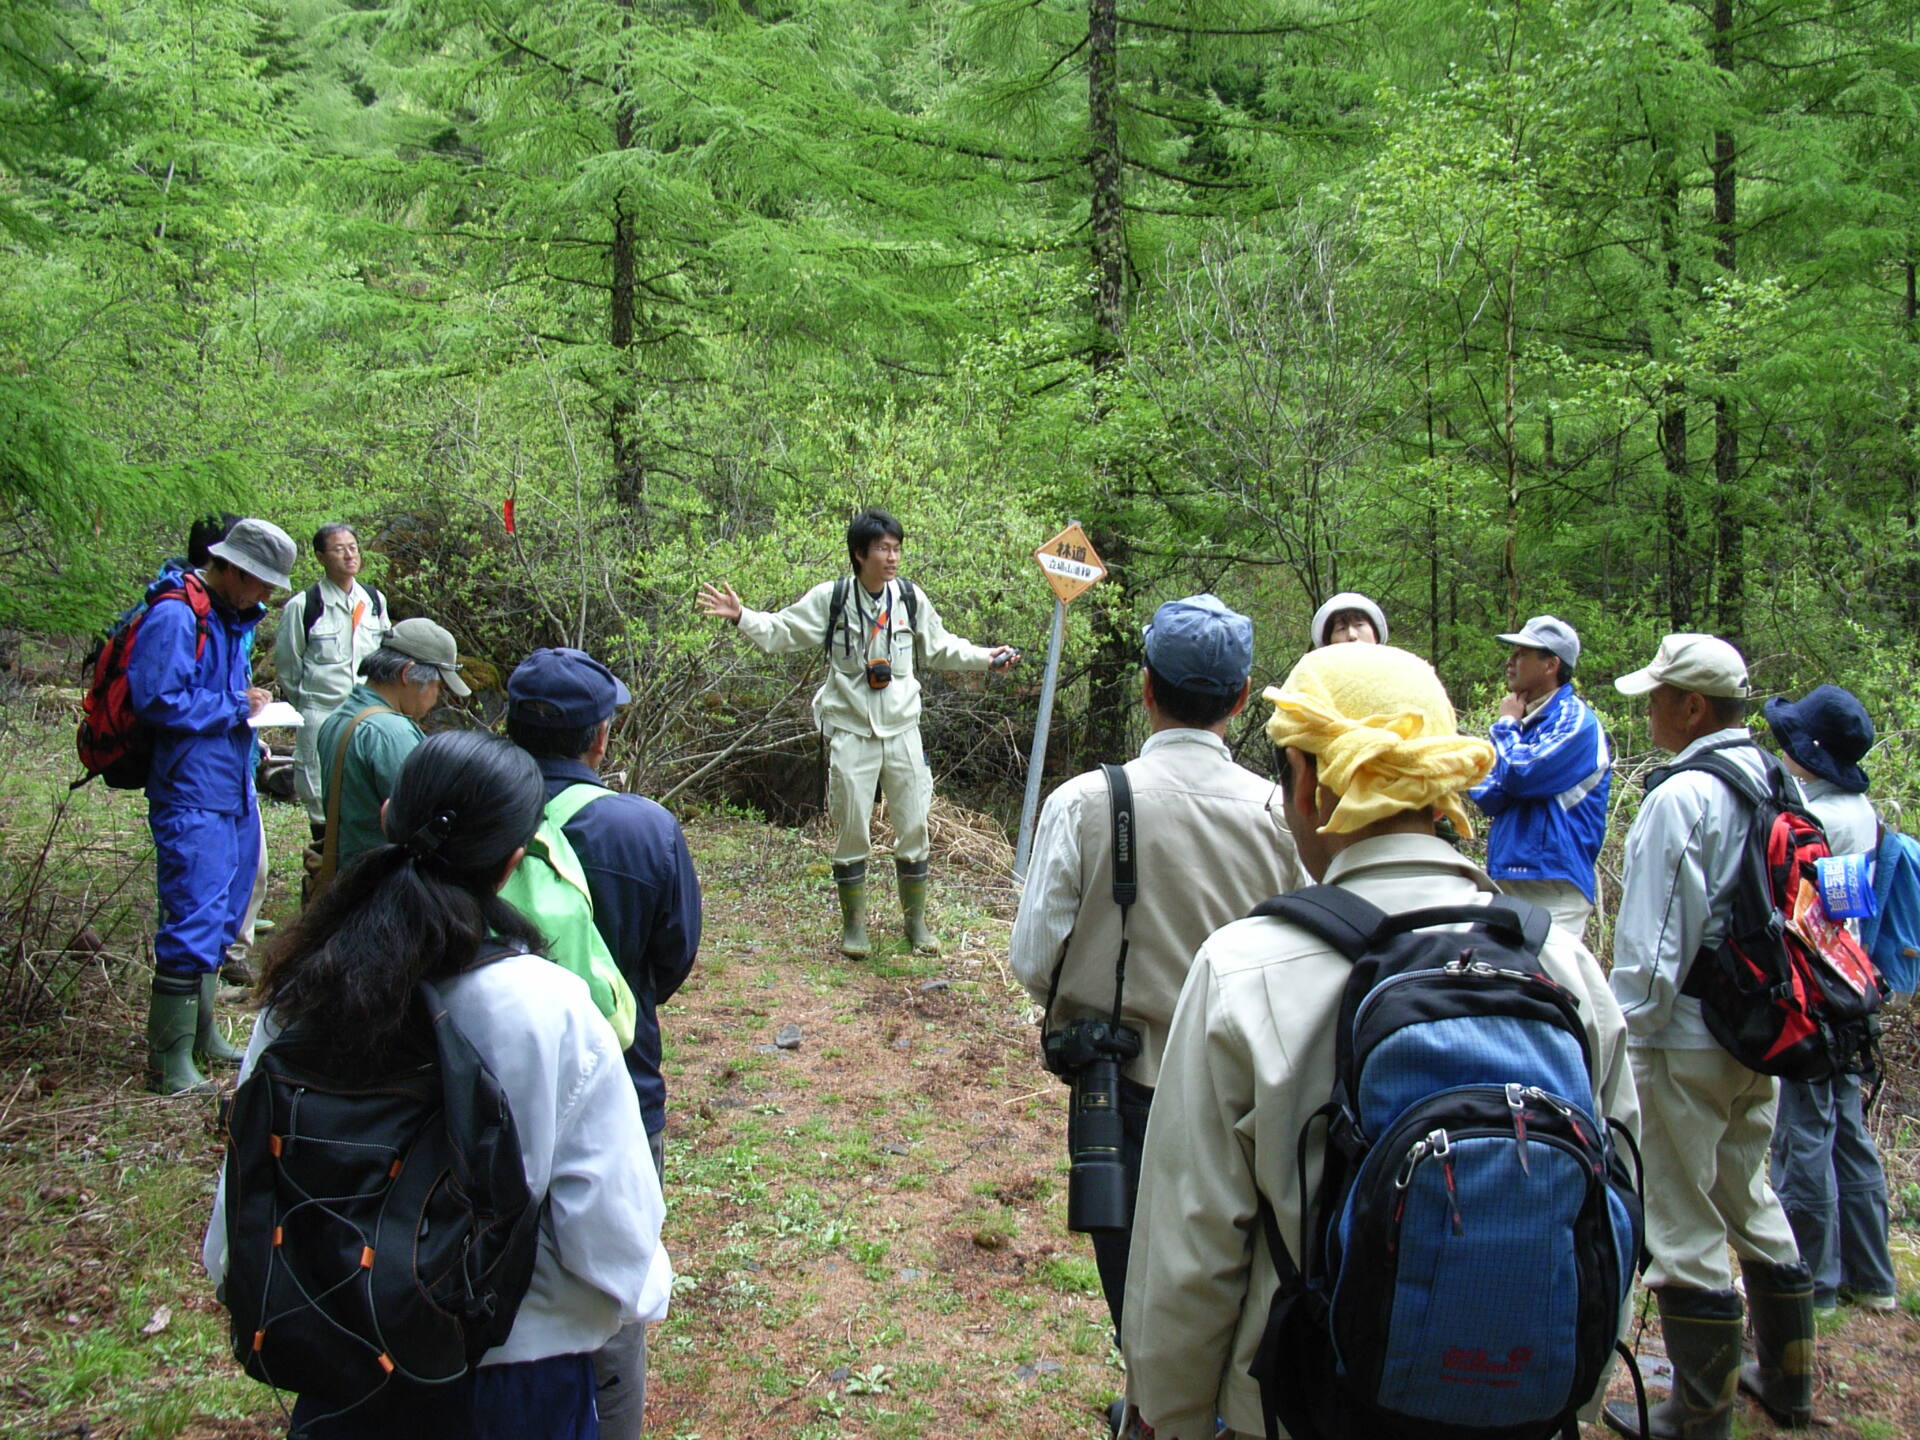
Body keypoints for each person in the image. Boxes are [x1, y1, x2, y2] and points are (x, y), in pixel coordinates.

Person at [1121, 642, 1636, 1440]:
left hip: (1303, 1408)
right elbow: (1615, 1214)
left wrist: (1170, 1413)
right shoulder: (1564, 969)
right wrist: (1572, 1394)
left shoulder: (1243, 968)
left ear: (1314, 781)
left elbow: (1190, 1246)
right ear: (1437, 786)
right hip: (1526, 1411)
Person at [203, 730, 670, 1439]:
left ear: (388, 814)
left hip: (342, 1359)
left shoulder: (302, 988)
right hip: (515, 1380)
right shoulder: (549, 1006)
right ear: (515, 860)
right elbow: (611, 1241)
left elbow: (237, 1220)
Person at [1008, 595, 1304, 1363]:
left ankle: (1149, 1403)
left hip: (1121, 1090)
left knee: (1133, 1291)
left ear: (1145, 688)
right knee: (1238, 1288)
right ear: (1241, 702)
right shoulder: (1281, 815)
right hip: (1246, 1094)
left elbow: (1032, 959)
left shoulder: (1084, 803)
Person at [1607, 634, 1813, 1438]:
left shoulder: (1683, 796)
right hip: (1761, 1031)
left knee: (1682, 1219)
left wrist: (1625, 1041)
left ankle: (1698, 1411)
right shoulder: (1774, 778)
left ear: (1692, 707)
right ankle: (1787, 1383)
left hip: (1685, 1039)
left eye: (1657, 697)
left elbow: (1654, 950)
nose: (1650, 709)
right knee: (1746, 1190)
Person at [506, 647, 703, 1440]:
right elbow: (673, 957)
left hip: (476, 1085)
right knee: (611, 1292)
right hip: (619, 1085)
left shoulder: (467, 815)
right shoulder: (641, 827)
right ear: (600, 739)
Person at [697, 508, 1018, 957]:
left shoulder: (908, 598)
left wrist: (988, 656)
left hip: (903, 730)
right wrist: (741, 616)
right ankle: (854, 928)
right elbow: (782, 631)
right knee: (851, 828)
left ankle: (916, 925)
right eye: (883, 549)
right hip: (851, 731)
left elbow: (942, 645)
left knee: (912, 825)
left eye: (896, 549)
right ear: (859, 554)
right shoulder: (832, 599)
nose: (891, 558)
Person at [128, 516, 296, 1094]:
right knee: (193, 911)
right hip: (189, 789)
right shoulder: (177, 614)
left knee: (223, 909)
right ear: (230, 568)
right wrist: (233, 704)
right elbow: (156, 698)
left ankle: (201, 1035)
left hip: (228, 783)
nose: (267, 596)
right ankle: (169, 1060)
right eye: (260, 582)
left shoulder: (228, 617)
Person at [1761, 685, 1899, 1313]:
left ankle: (1812, 1281)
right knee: (1849, 1132)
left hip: (1821, 996)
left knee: (1806, 1133)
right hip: (1852, 991)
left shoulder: (1826, 820)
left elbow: (1822, 917)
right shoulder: (1860, 812)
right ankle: (1872, 1278)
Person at [1469, 614, 1612, 939]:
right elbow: (1490, 794)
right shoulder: (1527, 723)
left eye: (1521, 654)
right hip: (1510, 880)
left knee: (1544, 985)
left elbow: (1519, 773)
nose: (1510, 661)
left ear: (1551, 665)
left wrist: (1506, 725)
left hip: (1553, 884)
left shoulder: (1575, 720)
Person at [313, 619, 469, 883]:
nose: (436, 698)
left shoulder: (340, 716)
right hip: (382, 884)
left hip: (348, 875)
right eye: (438, 686)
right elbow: (425, 820)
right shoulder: (392, 733)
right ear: (407, 674)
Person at [277, 523, 392, 849]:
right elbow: (288, 667)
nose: (349, 555)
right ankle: (323, 870)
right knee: (318, 792)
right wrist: (307, 705)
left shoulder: (373, 600)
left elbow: (383, 651)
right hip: (322, 711)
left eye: (353, 547)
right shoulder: (305, 605)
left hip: (368, 713)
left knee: (366, 787)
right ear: (320, 557)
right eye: (339, 549)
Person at [1307, 591, 1386, 648]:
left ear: (1375, 635)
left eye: (1359, 625)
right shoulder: (1312, 671)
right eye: (1341, 628)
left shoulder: (1395, 668)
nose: (1352, 635)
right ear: (1329, 642)